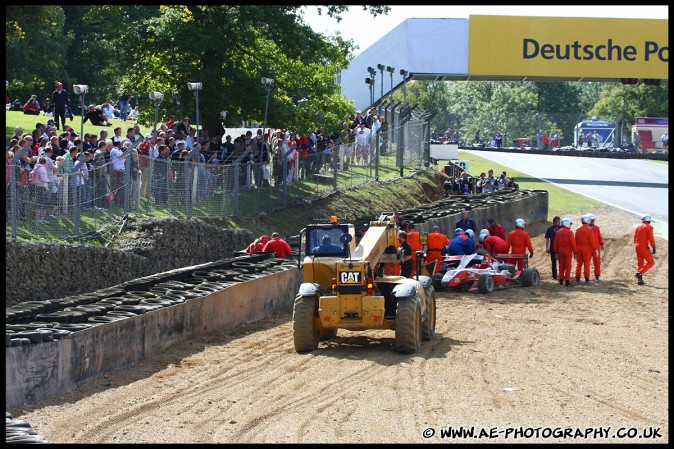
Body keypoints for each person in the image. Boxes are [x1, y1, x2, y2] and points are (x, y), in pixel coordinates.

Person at [574, 214, 599, 285]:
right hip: (587, 249)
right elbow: (592, 241)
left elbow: (575, 241)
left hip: (579, 248)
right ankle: (587, 278)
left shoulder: (578, 230)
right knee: (586, 264)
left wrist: (575, 251)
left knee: (579, 264)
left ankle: (577, 277)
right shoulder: (589, 230)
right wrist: (595, 249)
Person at [554, 218, 577, 287]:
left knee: (561, 266)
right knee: (568, 267)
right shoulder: (570, 232)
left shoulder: (558, 232)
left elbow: (555, 243)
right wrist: (575, 252)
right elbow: (573, 243)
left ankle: (561, 281)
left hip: (560, 251)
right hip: (567, 251)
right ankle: (567, 282)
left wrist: (556, 252)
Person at [634, 215, 656, 286]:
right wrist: (653, 246)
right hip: (643, 247)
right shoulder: (649, 227)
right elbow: (651, 237)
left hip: (637, 246)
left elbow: (635, 237)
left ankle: (639, 281)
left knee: (640, 264)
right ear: (649, 220)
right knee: (651, 262)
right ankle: (639, 273)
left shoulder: (638, 227)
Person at [587, 214, 605, 282]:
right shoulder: (586, 228)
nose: (593, 221)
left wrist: (602, 243)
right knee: (587, 263)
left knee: (597, 262)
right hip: (588, 247)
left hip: (596, 247)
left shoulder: (596, 228)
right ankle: (587, 276)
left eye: (593, 220)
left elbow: (599, 236)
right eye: (592, 220)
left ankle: (597, 275)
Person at [545, 216, 562, 280]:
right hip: (552, 248)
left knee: (561, 263)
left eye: (559, 221)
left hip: (560, 248)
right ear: (554, 222)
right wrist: (547, 247)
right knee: (553, 263)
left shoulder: (561, 228)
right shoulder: (550, 229)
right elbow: (547, 238)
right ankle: (554, 276)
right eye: (558, 221)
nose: (559, 222)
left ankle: (561, 275)